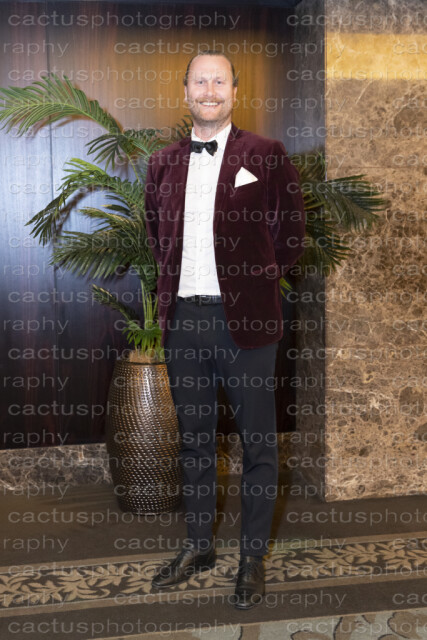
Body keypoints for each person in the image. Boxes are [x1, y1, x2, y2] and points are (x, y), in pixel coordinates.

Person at [144, 49, 306, 610]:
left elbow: (290, 237)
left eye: (219, 81)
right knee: (194, 441)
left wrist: (255, 283)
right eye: (199, 81)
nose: (209, 91)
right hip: (183, 323)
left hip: (247, 324)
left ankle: (251, 559)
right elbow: (155, 234)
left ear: (235, 92)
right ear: (186, 91)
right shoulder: (161, 163)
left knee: (259, 444)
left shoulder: (266, 154)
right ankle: (199, 546)